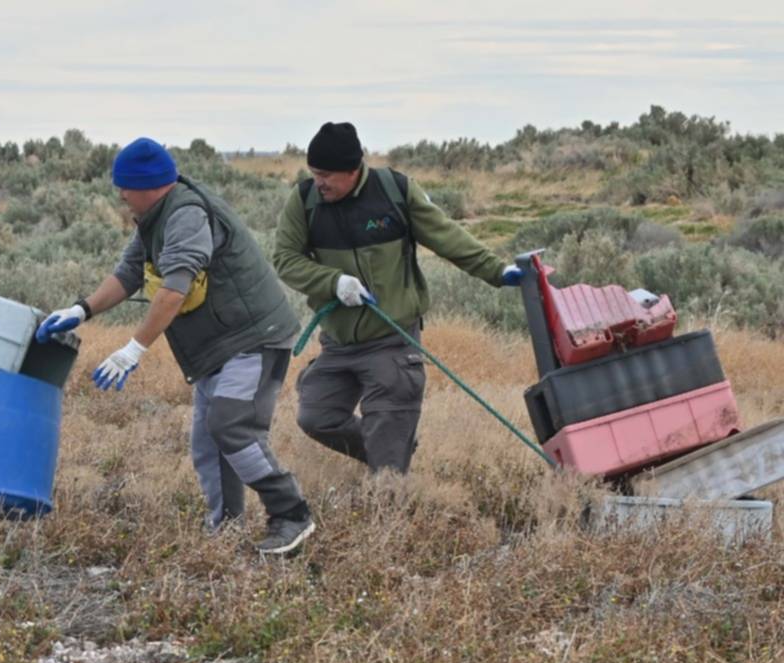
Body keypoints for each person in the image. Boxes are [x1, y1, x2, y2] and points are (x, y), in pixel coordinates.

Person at [36, 137, 314, 555]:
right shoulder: (155, 218)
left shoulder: (185, 215)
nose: (121, 195)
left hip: (252, 339)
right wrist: (81, 310)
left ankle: (291, 514)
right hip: (216, 347)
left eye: (124, 186)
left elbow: (174, 289)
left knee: (230, 425)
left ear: (146, 185)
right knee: (208, 442)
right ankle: (227, 529)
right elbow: (131, 273)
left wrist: (134, 349)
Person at [272, 122, 522, 474]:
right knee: (316, 416)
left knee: (387, 468)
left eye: (326, 175)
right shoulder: (304, 201)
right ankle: (390, 451)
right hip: (338, 343)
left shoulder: (395, 191)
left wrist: (497, 271)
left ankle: (389, 473)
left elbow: (447, 237)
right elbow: (284, 259)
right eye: (314, 173)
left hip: (392, 342)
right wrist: (334, 282)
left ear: (353, 169)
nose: (319, 182)